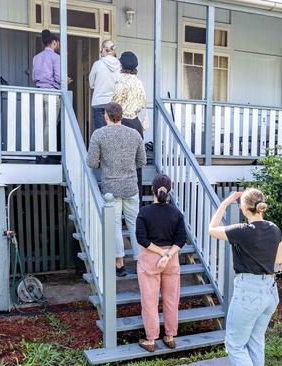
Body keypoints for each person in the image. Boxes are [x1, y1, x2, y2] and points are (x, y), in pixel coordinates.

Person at [208, 188, 282, 366]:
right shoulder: (274, 229)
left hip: (249, 292)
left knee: (234, 345)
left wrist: (225, 203)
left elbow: (211, 229)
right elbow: (279, 263)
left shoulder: (242, 230)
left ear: (243, 208)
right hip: (270, 290)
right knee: (256, 341)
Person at [87, 102, 146, 276]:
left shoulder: (99, 134)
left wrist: (103, 163)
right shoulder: (134, 134)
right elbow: (142, 161)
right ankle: (140, 262)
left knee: (115, 227)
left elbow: (91, 162)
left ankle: (120, 264)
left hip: (111, 187)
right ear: (121, 115)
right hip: (130, 187)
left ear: (106, 117)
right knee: (136, 225)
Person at [135, 174, 187, 352]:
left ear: (152, 190)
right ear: (170, 190)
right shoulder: (176, 213)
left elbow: (141, 238)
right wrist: (168, 254)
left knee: (149, 301)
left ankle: (151, 340)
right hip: (171, 260)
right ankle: (170, 336)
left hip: (150, 258)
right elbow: (181, 238)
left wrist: (160, 253)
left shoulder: (144, 212)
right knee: (172, 300)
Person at [112, 51, 146, 200]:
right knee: (136, 161)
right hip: (136, 123)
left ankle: (120, 195)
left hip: (122, 122)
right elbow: (143, 102)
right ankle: (135, 195)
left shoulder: (120, 80)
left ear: (121, 64)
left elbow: (115, 103)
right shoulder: (138, 82)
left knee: (120, 160)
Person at [88, 40, 121, 132]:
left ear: (103, 49)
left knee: (100, 133)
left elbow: (91, 84)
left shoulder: (97, 64)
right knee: (113, 133)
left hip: (98, 102)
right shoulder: (120, 66)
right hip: (113, 103)